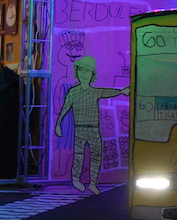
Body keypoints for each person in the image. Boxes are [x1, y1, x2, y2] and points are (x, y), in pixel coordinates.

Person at [54, 55, 129, 195]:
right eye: (81, 70)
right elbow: (65, 108)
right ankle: (76, 179)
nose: (84, 74)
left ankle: (93, 183)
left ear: (92, 75)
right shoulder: (73, 92)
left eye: (87, 71)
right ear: (76, 72)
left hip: (94, 129)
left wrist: (121, 91)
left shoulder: (94, 92)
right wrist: (58, 124)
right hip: (80, 129)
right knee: (78, 155)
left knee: (96, 156)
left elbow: (106, 92)